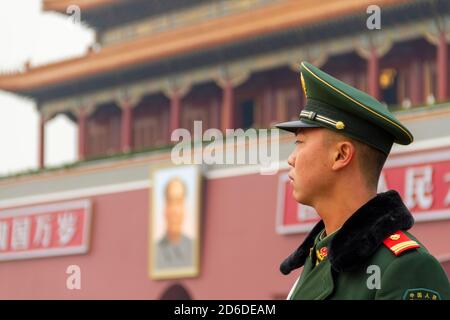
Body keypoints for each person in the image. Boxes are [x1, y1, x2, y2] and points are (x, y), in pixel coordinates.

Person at [275, 61, 450, 300]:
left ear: (341, 155)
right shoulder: (318, 258)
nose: (291, 159)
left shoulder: (405, 268)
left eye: (300, 143)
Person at [155, 177, 193, 270]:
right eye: (171, 202)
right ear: (165, 207)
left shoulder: (192, 247)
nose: (175, 211)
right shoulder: (156, 248)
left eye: (179, 202)